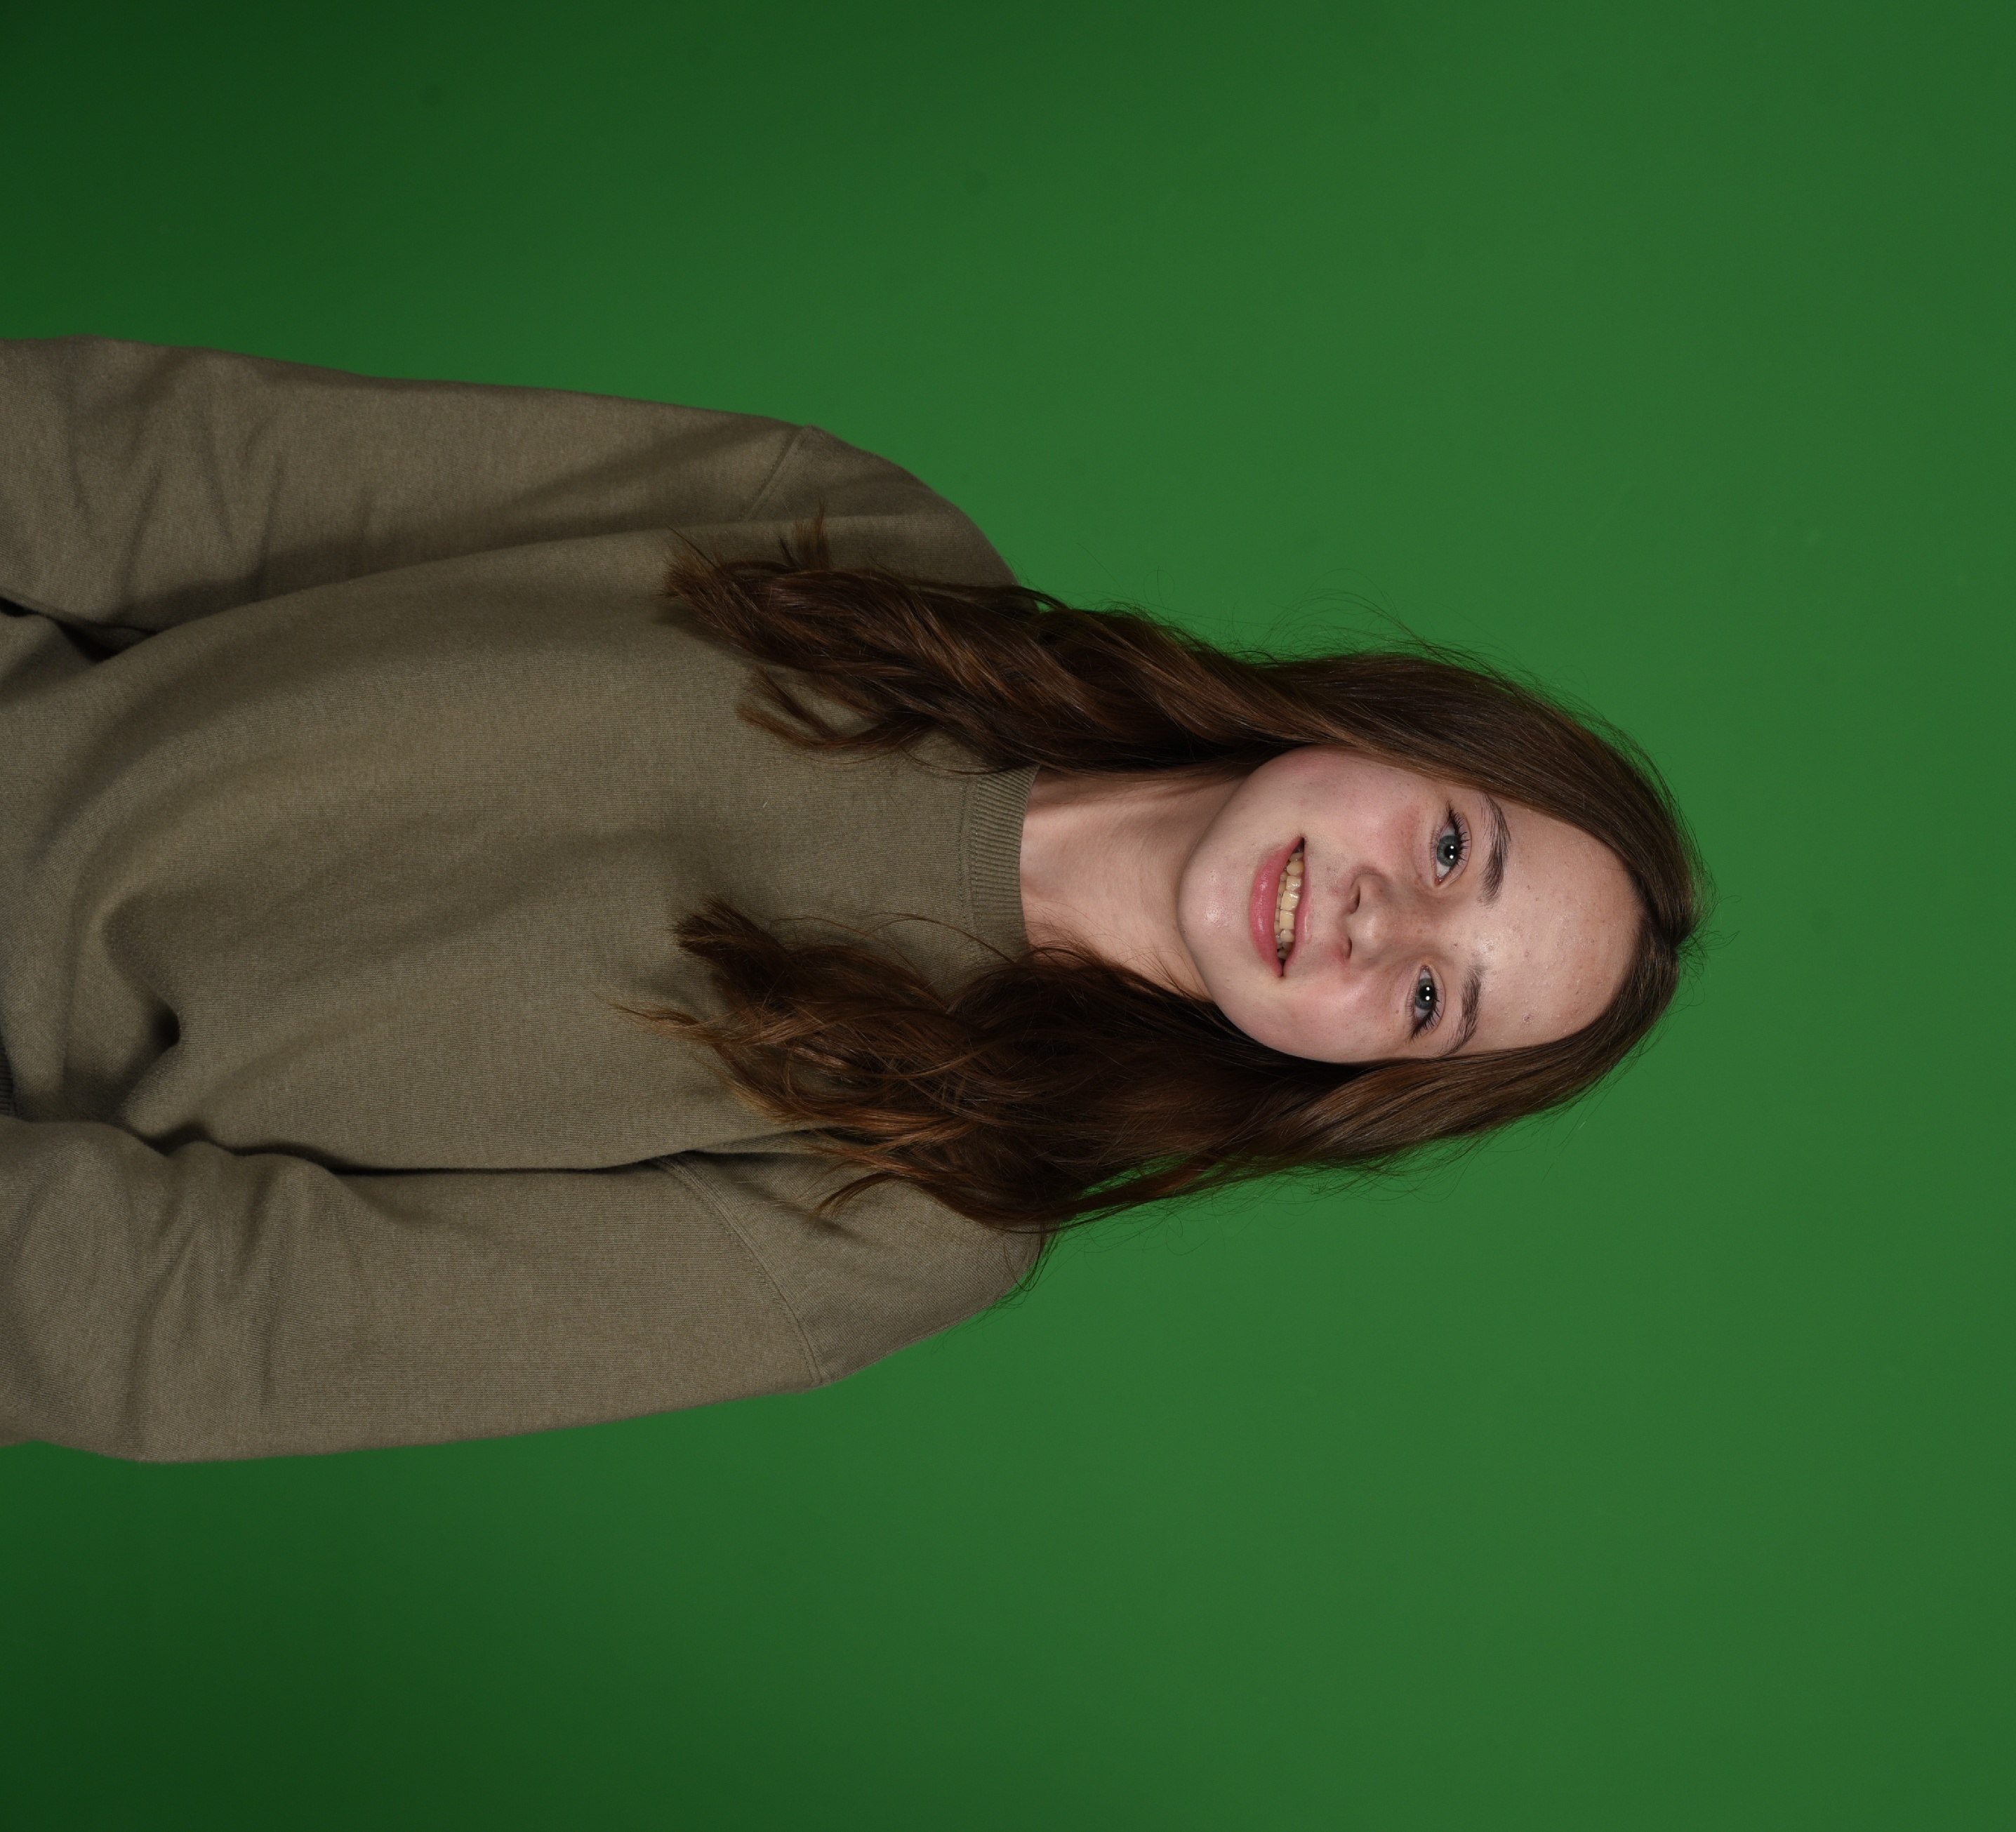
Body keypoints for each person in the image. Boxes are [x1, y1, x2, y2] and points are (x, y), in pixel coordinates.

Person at [0, 338, 1702, 1462]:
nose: (1381, 924)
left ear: (1358, 1085)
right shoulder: (873, 546)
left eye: (1430, 1002)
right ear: (1397, 728)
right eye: (1456, 850)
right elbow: (206, 477)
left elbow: (220, 1324)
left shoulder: (912, 1220)